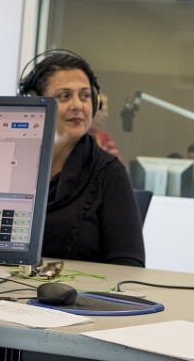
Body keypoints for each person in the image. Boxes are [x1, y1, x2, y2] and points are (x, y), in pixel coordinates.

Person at [19, 51, 145, 266]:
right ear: (36, 102)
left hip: (73, 297)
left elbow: (129, 265)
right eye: (64, 96)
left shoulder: (110, 172)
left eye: (85, 96)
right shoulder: (11, 163)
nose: (78, 105)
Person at [88, 92, 120, 158]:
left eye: (106, 111)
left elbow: (116, 162)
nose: (106, 115)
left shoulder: (104, 137)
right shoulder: (75, 136)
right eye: (102, 111)